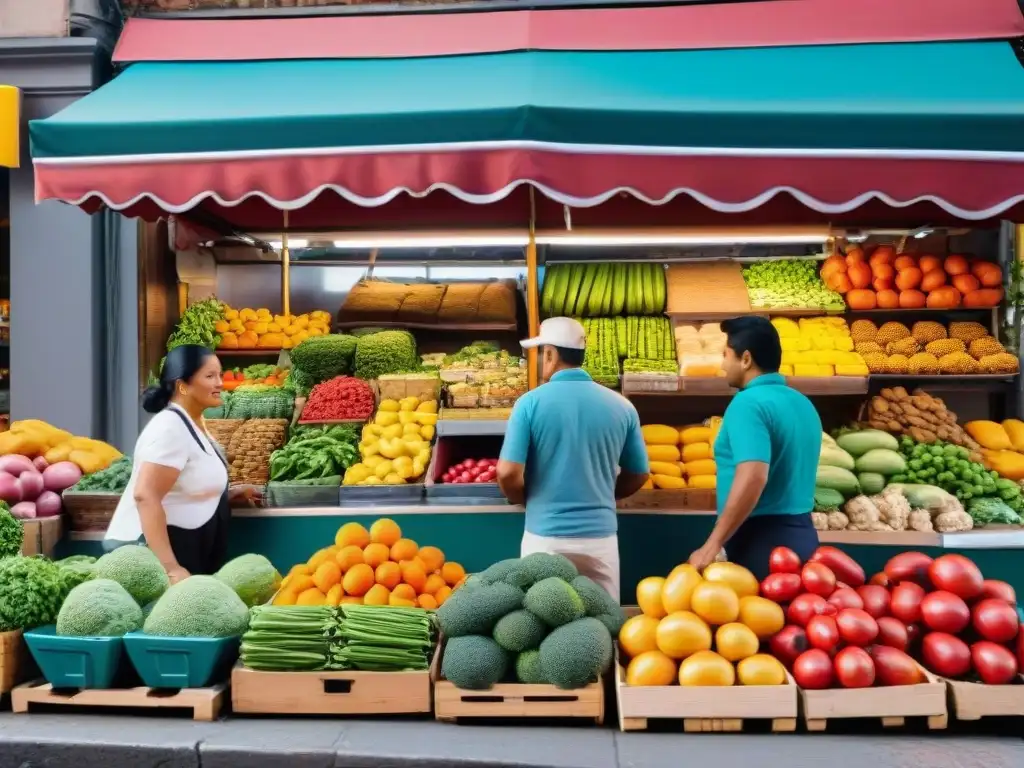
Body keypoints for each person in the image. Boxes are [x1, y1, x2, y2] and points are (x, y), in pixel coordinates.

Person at [496, 317, 650, 601]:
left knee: (541, 623)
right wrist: (603, 495)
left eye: (543, 353)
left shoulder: (530, 403)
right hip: (600, 538)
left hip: (545, 537)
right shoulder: (622, 406)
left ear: (552, 354)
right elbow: (639, 473)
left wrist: (522, 497)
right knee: (603, 625)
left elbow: (507, 473)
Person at [688, 316, 821, 580]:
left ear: (745, 359)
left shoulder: (748, 404)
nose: (723, 365)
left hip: (761, 542)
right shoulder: (803, 403)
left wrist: (712, 544)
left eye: (726, 355)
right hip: (803, 535)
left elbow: (753, 475)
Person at [105, 344, 229, 583]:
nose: (220, 383)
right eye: (210, 376)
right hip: (165, 558)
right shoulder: (169, 428)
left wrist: (225, 494)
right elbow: (146, 495)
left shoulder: (191, 423)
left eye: (220, 375)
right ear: (183, 385)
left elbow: (185, 483)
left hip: (191, 551)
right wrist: (170, 568)